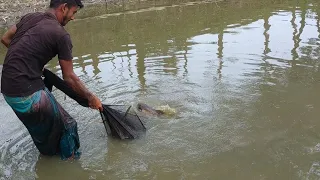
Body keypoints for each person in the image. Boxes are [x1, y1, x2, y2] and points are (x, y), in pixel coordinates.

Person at [0, 0, 102, 160]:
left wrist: (29, 62)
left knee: (43, 130)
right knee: (69, 127)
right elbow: (69, 78)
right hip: (28, 94)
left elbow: (5, 38)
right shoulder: (61, 35)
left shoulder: (30, 17)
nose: (73, 18)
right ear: (64, 7)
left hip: (8, 91)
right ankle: (71, 169)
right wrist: (91, 97)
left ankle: (49, 160)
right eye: (73, 12)